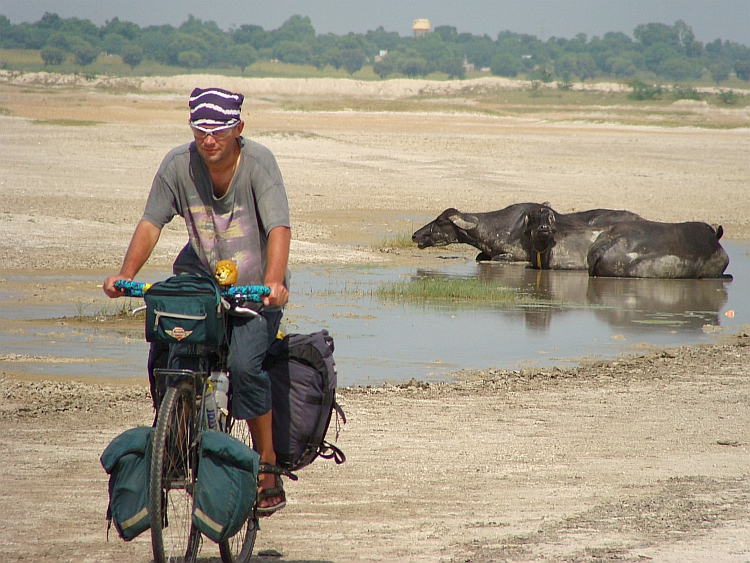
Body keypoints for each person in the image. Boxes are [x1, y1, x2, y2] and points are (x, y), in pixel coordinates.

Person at [103, 86, 291, 516]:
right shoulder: (177, 165)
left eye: (219, 129)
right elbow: (152, 222)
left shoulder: (259, 164)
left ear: (238, 128)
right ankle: (173, 433)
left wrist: (274, 282)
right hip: (198, 281)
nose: (209, 139)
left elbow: (278, 227)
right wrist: (125, 275)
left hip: (253, 287)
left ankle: (267, 464)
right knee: (166, 350)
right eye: (201, 129)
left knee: (245, 366)